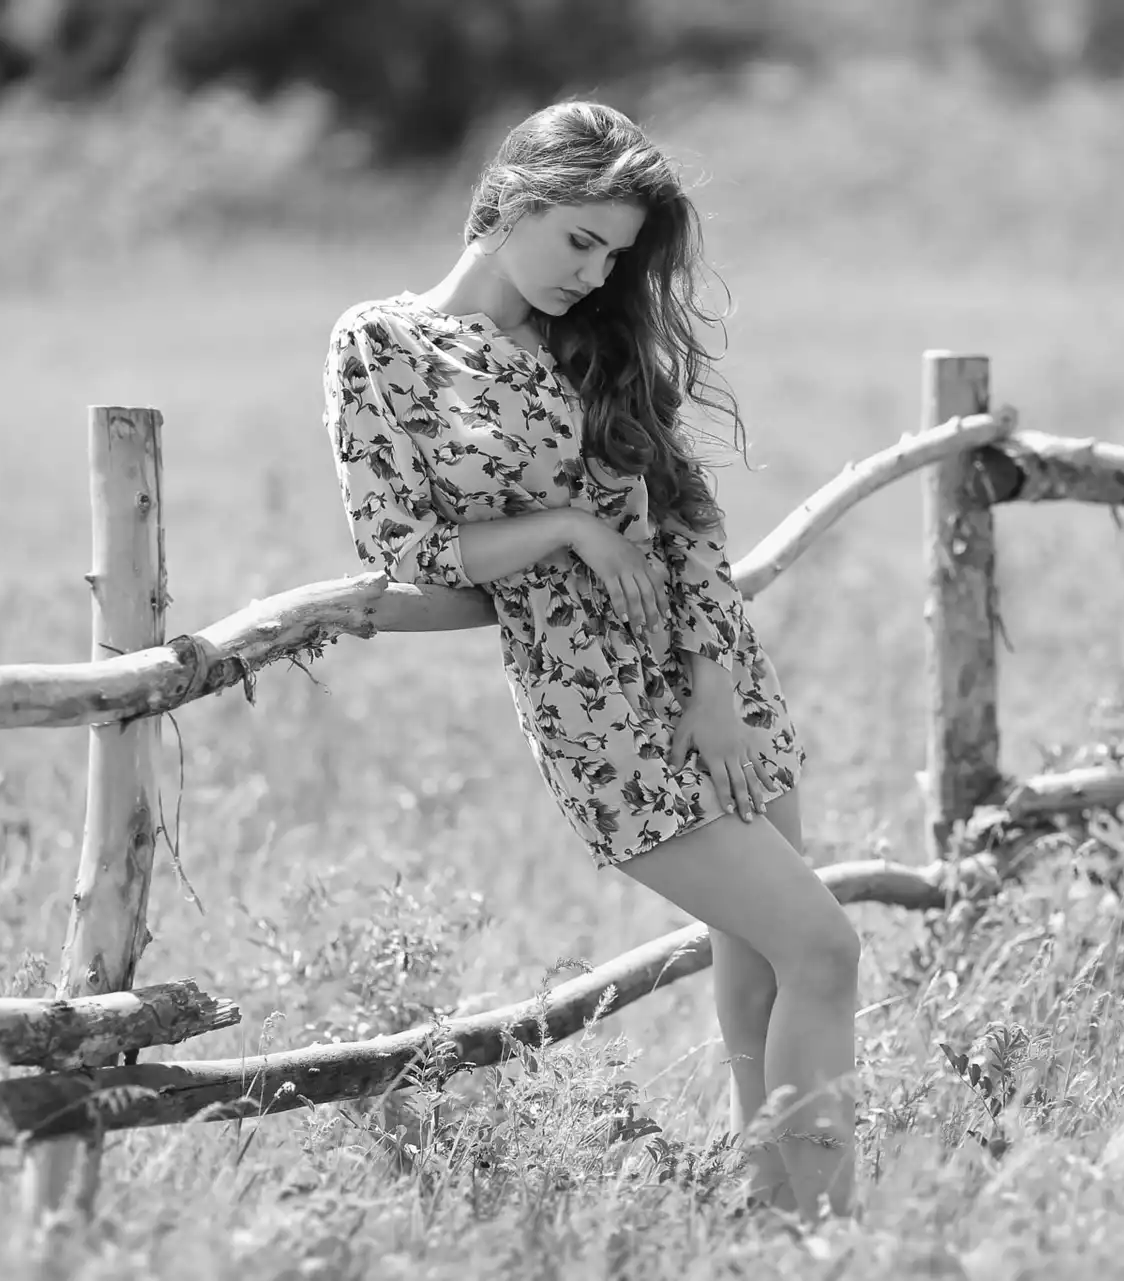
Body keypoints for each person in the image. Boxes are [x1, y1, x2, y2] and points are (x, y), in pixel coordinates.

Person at [321, 99, 859, 1223]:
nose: (595, 273)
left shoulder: (591, 344)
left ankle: (771, 1228)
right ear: (512, 201)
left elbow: (691, 525)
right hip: (592, 705)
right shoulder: (384, 344)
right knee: (823, 946)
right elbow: (403, 543)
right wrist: (570, 530)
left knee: (763, 964)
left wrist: (715, 689)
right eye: (580, 241)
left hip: (719, 683)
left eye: (614, 256)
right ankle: (828, 1233)